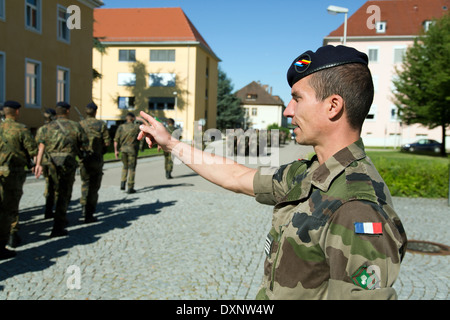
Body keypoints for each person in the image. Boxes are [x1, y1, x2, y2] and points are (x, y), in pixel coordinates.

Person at [137, 45, 407, 300]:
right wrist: (171, 143)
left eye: (297, 98)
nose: (288, 111)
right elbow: (237, 177)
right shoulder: (310, 172)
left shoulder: (356, 206)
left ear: (333, 106)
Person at [34, 102, 89, 237]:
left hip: (51, 162)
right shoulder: (76, 126)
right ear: (68, 111)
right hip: (68, 162)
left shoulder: (45, 128)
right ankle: (58, 225)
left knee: (52, 188)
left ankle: (50, 213)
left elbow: (40, 147)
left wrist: (38, 164)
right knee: (64, 193)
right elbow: (85, 145)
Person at [0, 100, 37, 258]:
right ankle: (11, 237)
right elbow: (32, 150)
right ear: (16, 112)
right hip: (13, 173)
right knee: (10, 207)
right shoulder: (21, 129)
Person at [79, 102, 110, 223]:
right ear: (95, 111)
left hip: (84, 159)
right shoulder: (101, 124)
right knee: (94, 187)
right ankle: (89, 213)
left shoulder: (80, 124)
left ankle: (82, 207)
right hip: (96, 159)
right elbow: (107, 142)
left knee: (85, 184)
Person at [35, 108, 56, 219]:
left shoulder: (41, 129)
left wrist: (36, 163)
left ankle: (48, 208)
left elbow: (38, 148)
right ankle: (51, 208)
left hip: (44, 161)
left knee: (48, 184)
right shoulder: (56, 129)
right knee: (55, 185)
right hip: (54, 161)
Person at [114, 112, 140, 194]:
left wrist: (116, 150)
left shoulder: (121, 127)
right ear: (133, 119)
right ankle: (130, 187)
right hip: (132, 150)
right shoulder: (136, 127)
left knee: (125, 167)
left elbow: (116, 140)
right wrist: (141, 119)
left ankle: (122, 182)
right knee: (132, 169)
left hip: (123, 150)